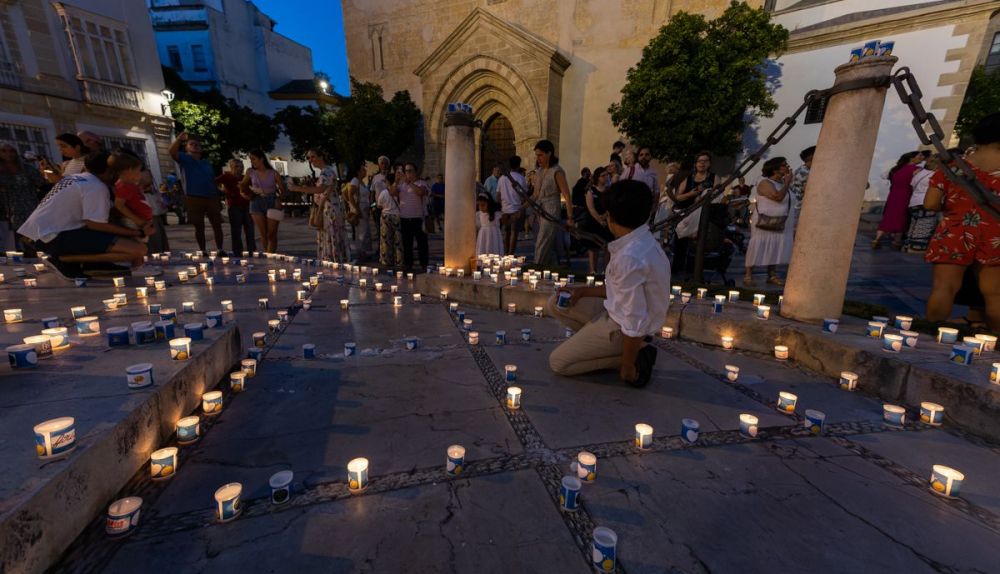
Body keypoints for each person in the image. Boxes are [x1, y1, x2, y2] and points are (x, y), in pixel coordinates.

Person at [546, 179, 669, 387]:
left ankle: (633, 354)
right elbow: (621, 291)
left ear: (610, 218)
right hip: (614, 312)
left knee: (558, 363)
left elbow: (634, 322)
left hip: (623, 328)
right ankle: (599, 345)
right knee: (556, 302)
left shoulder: (630, 257)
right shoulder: (642, 241)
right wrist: (582, 291)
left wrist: (628, 368)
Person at [18, 151, 151, 277]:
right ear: (109, 172)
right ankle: (62, 260)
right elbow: (95, 224)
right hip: (53, 237)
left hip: (43, 234)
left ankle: (94, 264)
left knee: (117, 238)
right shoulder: (96, 186)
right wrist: (136, 233)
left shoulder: (79, 179)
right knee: (138, 250)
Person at [924, 112, 1000, 329]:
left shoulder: (954, 166)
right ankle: (994, 346)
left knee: (944, 287)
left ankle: (930, 335)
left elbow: (930, 203)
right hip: (996, 234)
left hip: (956, 231)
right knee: (995, 295)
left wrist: (958, 206)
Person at [169, 132, 225, 254]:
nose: (195, 146)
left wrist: (217, 198)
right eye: (192, 144)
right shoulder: (184, 158)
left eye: (197, 145)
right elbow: (172, 152)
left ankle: (220, 249)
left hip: (211, 197)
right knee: (199, 226)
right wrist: (179, 139)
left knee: (217, 224)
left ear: (201, 149)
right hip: (193, 197)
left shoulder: (206, 163)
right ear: (186, 147)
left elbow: (212, 180)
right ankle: (203, 250)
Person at [744, 157, 794, 285]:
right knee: (758, 244)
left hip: (781, 221)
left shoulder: (782, 182)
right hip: (764, 220)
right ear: (775, 169)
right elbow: (777, 197)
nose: (787, 166)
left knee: (776, 246)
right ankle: (748, 275)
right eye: (784, 165)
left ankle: (772, 275)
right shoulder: (764, 182)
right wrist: (787, 183)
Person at [669, 151, 720, 274]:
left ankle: (694, 269)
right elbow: (678, 197)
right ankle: (678, 268)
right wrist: (694, 193)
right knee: (680, 242)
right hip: (686, 214)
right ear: (696, 164)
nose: (702, 163)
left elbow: (718, 195)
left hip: (704, 215)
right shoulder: (689, 178)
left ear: (709, 163)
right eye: (699, 161)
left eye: (705, 161)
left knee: (698, 244)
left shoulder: (714, 178)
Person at [530, 140, 574, 266]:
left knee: (542, 243)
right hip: (539, 211)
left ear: (549, 153)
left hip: (551, 211)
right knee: (546, 245)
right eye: (537, 155)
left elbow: (566, 195)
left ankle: (536, 270)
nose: (538, 158)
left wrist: (570, 218)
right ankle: (548, 273)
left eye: (540, 155)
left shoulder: (557, 171)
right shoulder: (539, 172)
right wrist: (522, 208)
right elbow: (535, 195)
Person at [0, 142, 43, 253]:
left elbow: (40, 182)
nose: (8, 154)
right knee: (17, 242)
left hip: (30, 205)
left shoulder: (26, 168)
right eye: (3, 151)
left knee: (36, 239)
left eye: (11, 151)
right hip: (9, 209)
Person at [240, 149, 285, 253]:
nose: (252, 162)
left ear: (261, 159)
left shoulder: (274, 173)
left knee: (271, 234)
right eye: (251, 160)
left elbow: (283, 190)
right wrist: (244, 194)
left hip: (271, 200)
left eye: (254, 159)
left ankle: (271, 255)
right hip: (256, 201)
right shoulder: (250, 172)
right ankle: (268, 257)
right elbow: (243, 186)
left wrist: (279, 199)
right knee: (263, 233)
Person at [874, 151, 921, 249]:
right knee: (901, 216)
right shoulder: (917, 170)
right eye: (919, 156)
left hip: (893, 194)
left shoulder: (896, 169)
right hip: (905, 194)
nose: (921, 157)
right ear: (911, 158)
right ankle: (897, 241)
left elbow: (884, 176)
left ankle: (877, 238)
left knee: (888, 216)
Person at [112, 150, 154, 245]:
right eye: (138, 170)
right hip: (133, 223)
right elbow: (119, 204)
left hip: (141, 222)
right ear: (129, 170)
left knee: (141, 247)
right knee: (137, 246)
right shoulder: (123, 186)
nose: (140, 173)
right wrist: (137, 220)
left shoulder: (130, 185)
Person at [216, 159, 255, 255]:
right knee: (236, 230)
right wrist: (223, 191)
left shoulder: (245, 178)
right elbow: (214, 182)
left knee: (250, 229)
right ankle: (237, 251)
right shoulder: (226, 176)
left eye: (241, 166)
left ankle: (252, 250)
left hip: (247, 206)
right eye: (237, 166)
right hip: (234, 206)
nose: (240, 169)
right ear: (231, 167)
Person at [582, 166, 615, 273]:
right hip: (593, 223)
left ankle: (606, 271)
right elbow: (591, 208)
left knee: (607, 247)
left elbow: (610, 206)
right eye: (603, 176)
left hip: (606, 222)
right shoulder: (591, 191)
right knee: (593, 248)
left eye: (607, 175)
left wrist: (605, 217)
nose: (605, 178)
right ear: (597, 177)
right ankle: (593, 270)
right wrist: (599, 219)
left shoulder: (609, 190)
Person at [904, 155, 940, 253]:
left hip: (913, 201)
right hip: (925, 201)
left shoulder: (919, 173)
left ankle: (908, 244)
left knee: (913, 224)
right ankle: (916, 247)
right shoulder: (934, 175)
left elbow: (911, 186)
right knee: (924, 224)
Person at [399, 162, 430, 272]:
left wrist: (410, 183)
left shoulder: (422, 183)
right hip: (405, 218)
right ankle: (408, 264)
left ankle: (424, 264)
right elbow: (392, 192)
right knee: (407, 243)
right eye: (406, 171)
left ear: (415, 172)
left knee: (422, 243)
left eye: (410, 171)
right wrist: (395, 181)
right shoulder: (401, 185)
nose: (407, 173)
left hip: (418, 218)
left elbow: (421, 192)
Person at [498, 155, 526, 255]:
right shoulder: (521, 178)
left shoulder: (502, 178)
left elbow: (498, 194)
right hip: (516, 209)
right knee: (514, 233)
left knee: (506, 232)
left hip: (505, 209)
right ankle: (511, 253)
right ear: (519, 165)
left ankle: (506, 252)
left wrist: (502, 204)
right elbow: (524, 195)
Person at [376, 165, 403, 267]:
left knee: (385, 239)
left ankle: (386, 260)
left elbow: (379, 204)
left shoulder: (384, 192)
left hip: (386, 216)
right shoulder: (398, 191)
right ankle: (399, 260)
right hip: (397, 216)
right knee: (398, 240)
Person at [347, 164, 373, 261]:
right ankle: (361, 252)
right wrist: (357, 209)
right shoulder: (355, 181)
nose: (365, 172)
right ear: (358, 172)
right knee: (362, 231)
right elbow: (350, 195)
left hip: (365, 207)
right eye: (363, 170)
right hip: (360, 208)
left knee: (365, 230)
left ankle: (364, 252)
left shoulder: (361, 181)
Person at [788, 146, 815, 230]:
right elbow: (811, 191)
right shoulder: (805, 172)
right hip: (800, 210)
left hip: (797, 209)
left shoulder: (802, 169)